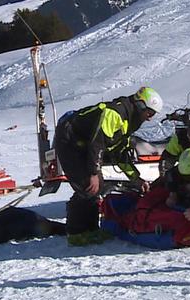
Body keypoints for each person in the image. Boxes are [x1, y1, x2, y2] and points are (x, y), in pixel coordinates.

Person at [54, 86, 163, 246]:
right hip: (69, 140)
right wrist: (93, 172)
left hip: (83, 144)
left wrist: (137, 181)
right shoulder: (116, 113)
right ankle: (76, 234)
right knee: (87, 185)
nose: (150, 118)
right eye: (150, 113)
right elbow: (97, 143)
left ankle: (90, 230)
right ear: (141, 105)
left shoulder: (130, 121)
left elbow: (120, 155)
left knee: (97, 186)